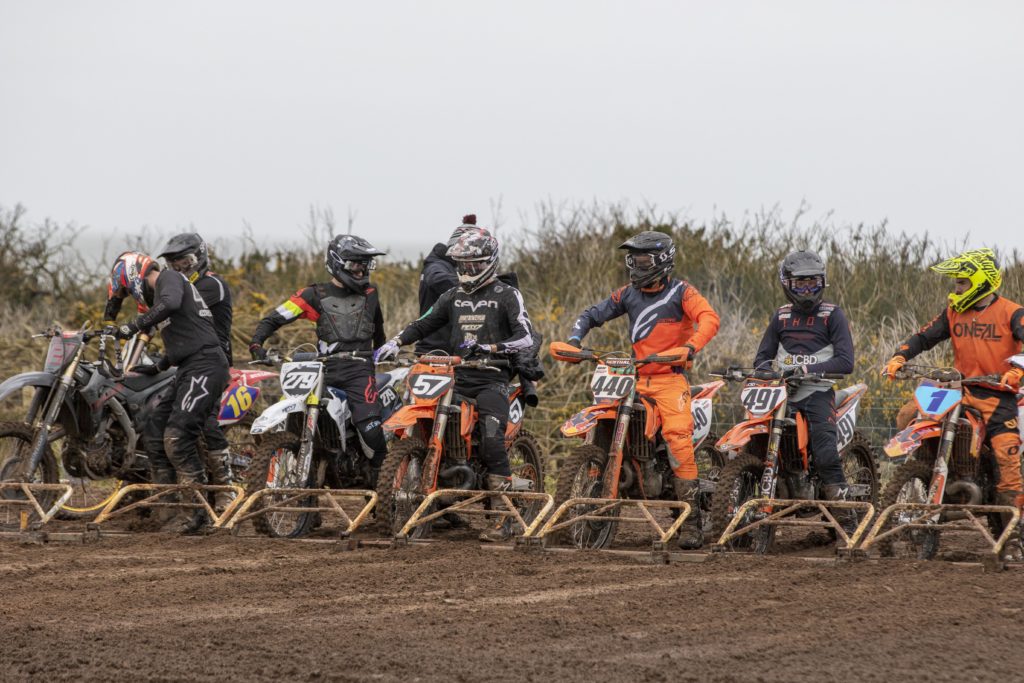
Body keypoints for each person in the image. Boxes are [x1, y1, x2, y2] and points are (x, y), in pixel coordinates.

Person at [375, 227, 535, 542]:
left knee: (491, 440)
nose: (468, 270)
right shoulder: (453, 295)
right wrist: (395, 342)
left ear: (489, 262)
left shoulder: (506, 294)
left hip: (492, 378)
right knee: (428, 420)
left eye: (474, 264)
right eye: (462, 264)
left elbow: (526, 336)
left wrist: (492, 348)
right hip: (455, 376)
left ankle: (504, 519)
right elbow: (425, 322)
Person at [566, 231, 721, 549]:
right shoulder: (627, 294)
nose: (635, 267)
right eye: (632, 261)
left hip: (669, 378)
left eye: (642, 261)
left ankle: (691, 523)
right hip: (633, 376)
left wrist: (690, 347)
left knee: (678, 435)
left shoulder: (682, 293)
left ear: (662, 261)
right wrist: (574, 341)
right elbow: (591, 314)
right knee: (602, 419)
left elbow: (709, 319)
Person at [883, 248, 1024, 558]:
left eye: (961, 283)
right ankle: (928, 469)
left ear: (980, 281)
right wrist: (899, 356)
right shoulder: (953, 312)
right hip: (958, 386)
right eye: (956, 283)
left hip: (995, 393)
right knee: (909, 413)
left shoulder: (1012, 312)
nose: (956, 289)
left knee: (1007, 455)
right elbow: (924, 336)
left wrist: (1016, 371)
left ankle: (1012, 535)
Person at [249, 235, 389, 486]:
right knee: (295, 419)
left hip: (360, 370)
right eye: (356, 264)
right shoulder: (313, 294)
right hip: (324, 369)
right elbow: (274, 318)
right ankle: (309, 499)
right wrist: (257, 344)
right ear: (337, 263)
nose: (361, 270)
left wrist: (383, 352)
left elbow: (378, 331)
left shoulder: (371, 293)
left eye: (365, 264)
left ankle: (383, 486)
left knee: (371, 429)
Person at [104, 251, 229, 533]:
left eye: (125, 288)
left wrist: (133, 326)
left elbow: (172, 305)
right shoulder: (163, 295)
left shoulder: (169, 279)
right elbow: (187, 332)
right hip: (188, 367)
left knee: (177, 436)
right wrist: (159, 365)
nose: (128, 294)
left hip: (205, 365)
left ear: (132, 275)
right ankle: (167, 508)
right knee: (153, 426)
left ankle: (196, 514)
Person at [753, 250, 857, 532]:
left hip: (818, 391)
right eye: (801, 284)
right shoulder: (781, 316)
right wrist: (762, 373)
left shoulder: (832, 315)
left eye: (813, 282)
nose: (808, 289)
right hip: (783, 393)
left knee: (825, 453)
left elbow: (846, 361)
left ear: (823, 282)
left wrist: (809, 370)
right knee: (754, 441)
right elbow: (762, 357)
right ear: (787, 284)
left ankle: (847, 523)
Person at [158, 233, 235, 512]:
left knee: (207, 421)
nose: (179, 268)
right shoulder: (181, 286)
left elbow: (176, 308)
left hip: (213, 363)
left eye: (184, 261)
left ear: (199, 257)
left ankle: (226, 490)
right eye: (173, 264)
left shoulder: (211, 284)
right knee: (161, 417)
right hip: (189, 362)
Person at [416, 214, 476, 354]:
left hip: (454, 348)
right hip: (435, 349)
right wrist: (477, 283)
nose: (471, 261)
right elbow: (438, 279)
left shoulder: (453, 267)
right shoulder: (436, 266)